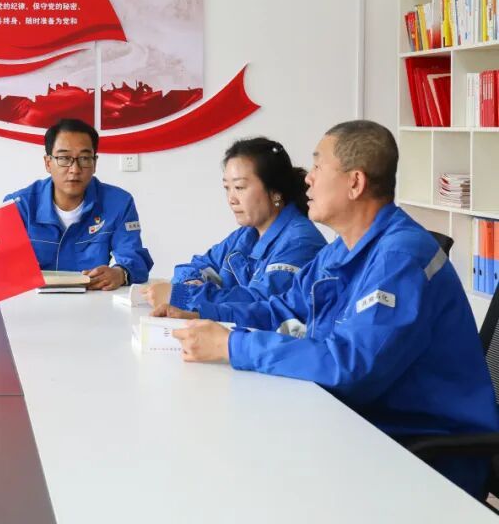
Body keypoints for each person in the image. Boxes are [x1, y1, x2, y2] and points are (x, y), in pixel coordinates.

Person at [154, 121, 498, 497]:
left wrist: (232, 345)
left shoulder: (399, 258)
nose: (307, 179)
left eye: (318, 166)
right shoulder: (341, 249)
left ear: (355, 182)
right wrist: (201, 312)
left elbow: (350, 366)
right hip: (357, 421)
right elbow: (281, 309)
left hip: (418, 450)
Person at [143, 137, 326, 309]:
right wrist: (190, 284)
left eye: (239, 187)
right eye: (227, 188)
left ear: (275, 191)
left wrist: (184, 296)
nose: (231, 199)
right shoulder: (247, 234)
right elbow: (197, 265)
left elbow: (260, 305)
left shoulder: (300, 242)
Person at [5, 118, 152, 290]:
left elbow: (134, 256)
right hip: (34, 301)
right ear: (48, 163)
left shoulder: (119, 203)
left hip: (94, 299)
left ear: (94, 163)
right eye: (64, 158)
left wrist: (120, 273)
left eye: (84, 158)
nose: (75, 169)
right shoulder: (18, 206)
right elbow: (1, 269)